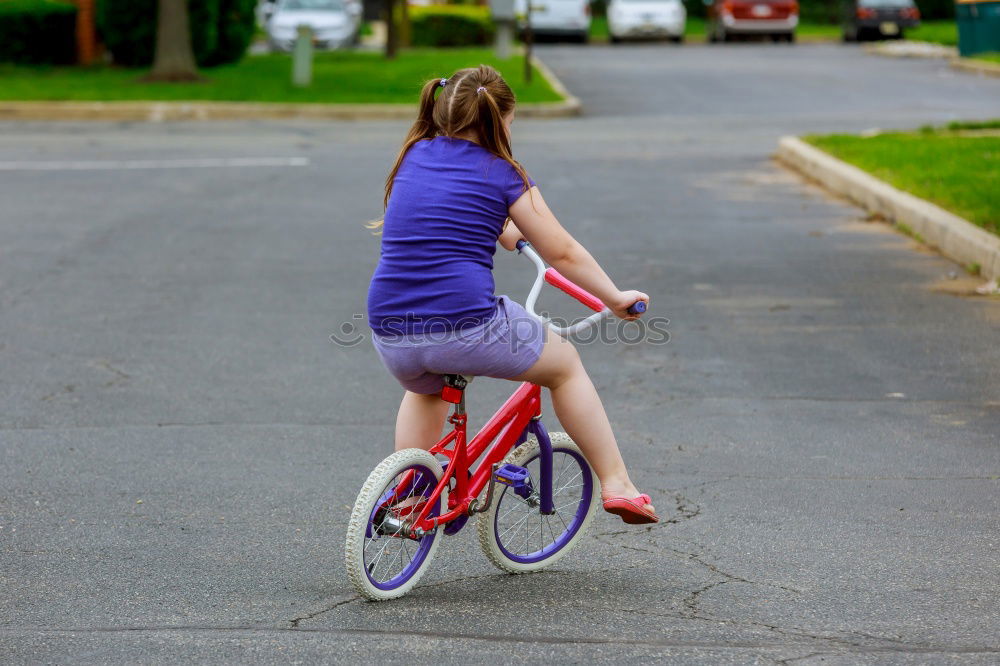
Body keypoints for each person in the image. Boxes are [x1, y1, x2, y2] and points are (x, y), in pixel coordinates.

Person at [366, 65, 658, 525]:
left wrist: (501, 225)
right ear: (500, 120)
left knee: (426, 390)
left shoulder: (414, 154)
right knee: (564, 366)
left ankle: (408, 492)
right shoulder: (503, 174)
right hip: (465, 324)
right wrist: (615, 296)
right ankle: (619, 483)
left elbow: (448, 207)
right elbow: (561, 251)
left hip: (390, 329)